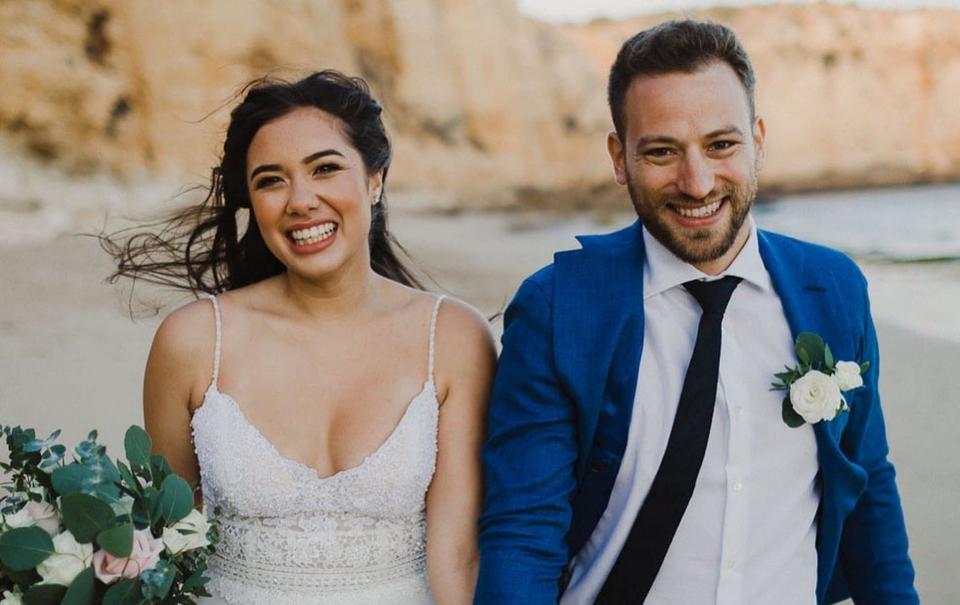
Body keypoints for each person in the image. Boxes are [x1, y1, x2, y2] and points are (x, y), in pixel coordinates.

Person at [475, 20, 917, 605]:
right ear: (619, 157)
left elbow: (867, 492)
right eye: (662, 151)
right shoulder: (558, 307)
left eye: (721, 144)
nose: (697, 181)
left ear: (758, 140)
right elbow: (523, 535)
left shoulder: (832, 287)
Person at [105, 70, 496, 604]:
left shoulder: (453, 337)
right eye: (271, 180)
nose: (300, 200)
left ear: (375, 179)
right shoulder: (194, 341)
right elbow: (165, 547)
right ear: (252, 201)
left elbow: (457, 555)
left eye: (325, 169)